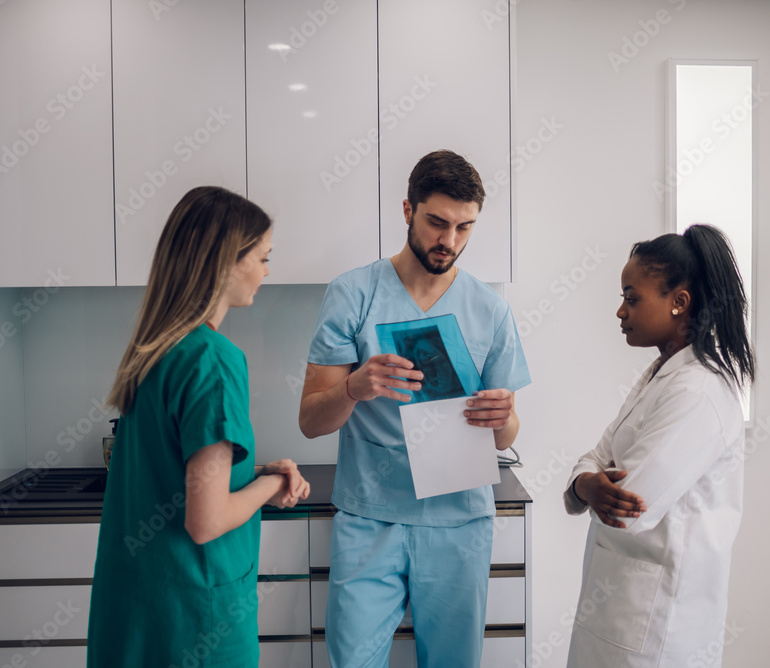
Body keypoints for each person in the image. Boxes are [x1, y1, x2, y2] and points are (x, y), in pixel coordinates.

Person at [299, 150, 531, 667]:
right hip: (370, 516)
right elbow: (311, 421)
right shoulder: (353, 294)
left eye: (464, 227)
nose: (449, 241)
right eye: (437, 223)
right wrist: (355, 387)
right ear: (408, 210)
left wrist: (502, 417)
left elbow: (506, 434)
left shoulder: (490, 311)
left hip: (459, 522)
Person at [87, 186, 310, 667]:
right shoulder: (212, 358)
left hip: (135, 615)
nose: (267, 271)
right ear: (227, 261)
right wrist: (271, 483)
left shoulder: (151, 353)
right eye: (263, 258)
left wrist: (248, 481)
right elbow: (205, 521)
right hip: (194, 623)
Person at [563, 224, 755, 668]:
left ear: (679, 302)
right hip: (619, 606)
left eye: (632, 298)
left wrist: (590, 485)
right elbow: (596, 457)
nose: (619, 311)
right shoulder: (661, 373)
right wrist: (586, 483)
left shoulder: (699, 392)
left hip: (659, 620)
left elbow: (631, 503)